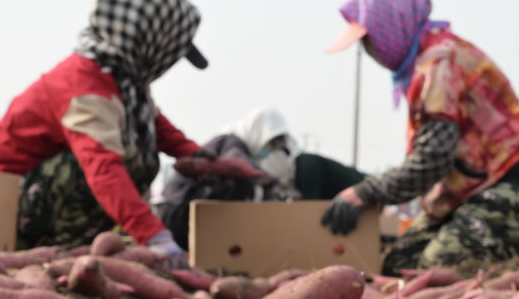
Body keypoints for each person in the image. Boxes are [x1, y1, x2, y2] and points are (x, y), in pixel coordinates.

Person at [0, 0, 253, 267]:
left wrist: (203, 160)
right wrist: (154, 237)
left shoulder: (123, 83)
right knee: (127, 158)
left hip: (27, 197)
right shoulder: (85, 90)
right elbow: (103, 169)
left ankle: (77, 250)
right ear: (149, 40)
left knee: (140, 148)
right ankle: (54, 249)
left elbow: (158, 128)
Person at [320, 0, 519, 275]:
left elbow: (432, 160)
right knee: (398, 264)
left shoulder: (440, 64)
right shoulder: (424, 65)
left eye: (370, 40)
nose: (370, 51)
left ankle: (515, 253)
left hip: (515, 183)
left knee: (440, 265)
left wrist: (369, 191)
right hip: (469, 190)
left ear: (391, 27)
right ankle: (497, 243)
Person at [156, 107, 366, 250]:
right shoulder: (231, 142)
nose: (270, 152)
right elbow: (239, 165)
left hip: (197, 213)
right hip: (179, 209)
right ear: (256, 131)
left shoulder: (250, 161)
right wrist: (271, 183)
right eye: (269, 144)